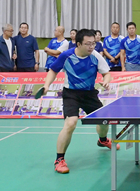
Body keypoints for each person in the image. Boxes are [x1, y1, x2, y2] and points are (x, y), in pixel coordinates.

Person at [43, 29, 113, 174]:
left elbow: (106, 73)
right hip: (71, 94)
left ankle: (102, 140)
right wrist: (46, 85)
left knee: (104, 121)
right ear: (79, 44)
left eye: (93, 43)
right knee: (71, 123)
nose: (91, 47)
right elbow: (53, 70)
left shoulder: (96, 56)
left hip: (89, 94)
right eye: (88, 44)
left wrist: (106, 81)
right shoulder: (66, 56)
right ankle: (59, 159)